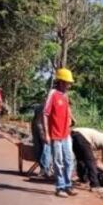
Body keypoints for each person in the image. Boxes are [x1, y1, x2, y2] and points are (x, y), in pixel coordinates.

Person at [43, 68, 76, 197]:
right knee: (59, 161)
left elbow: (67, 109)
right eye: (68, 82)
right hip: (55, 134)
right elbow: (45, 114)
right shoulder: (53, 94)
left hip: (66, 133)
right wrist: (46, 133)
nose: (69, 85)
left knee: (69, 159)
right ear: (61, 82)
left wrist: (72, 118)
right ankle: (60, 186)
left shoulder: (66, 96)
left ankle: (68, 185)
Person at [31, 103, 52, 178]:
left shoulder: (39, 107)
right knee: (46, 149)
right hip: (42, 130)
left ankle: (44, 169)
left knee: (40, 149)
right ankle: (45, 169)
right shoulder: (47, 107)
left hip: (37, 129)